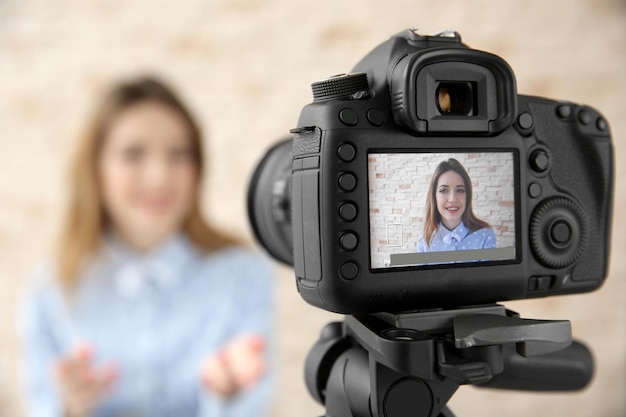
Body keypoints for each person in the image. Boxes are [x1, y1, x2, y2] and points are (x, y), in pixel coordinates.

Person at [20, 77, 274, 417]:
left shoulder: (243, 274)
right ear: (96, 169)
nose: (159, 176)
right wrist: (69, 409)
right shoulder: (51, 289)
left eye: (179, 154)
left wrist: (227, 394)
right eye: (133, 154)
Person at [417, 158, 496, 253]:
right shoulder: (424, 241)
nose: (452, 199)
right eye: (444, 190)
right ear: (434, 196)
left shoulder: (485, 236)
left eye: (460, 190)